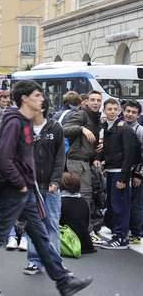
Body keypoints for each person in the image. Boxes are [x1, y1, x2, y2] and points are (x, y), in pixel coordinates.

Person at [0, 80, 92, 296]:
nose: (41, 98)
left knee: (40, 234)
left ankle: (63, 281)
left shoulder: (23, 122)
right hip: (15, 190)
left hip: (24, 189)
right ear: (25, 98)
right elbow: (5, 157)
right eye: (37, 95)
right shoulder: (15, 122)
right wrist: (20, 184)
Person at [23, 96, 66, 275]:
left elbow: (60, 157)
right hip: (30, 185)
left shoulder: (55, 127)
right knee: (34, 225)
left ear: (41, 108)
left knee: (52, 224)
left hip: (50, 185)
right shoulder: (23, 128)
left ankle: (55, 263)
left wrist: (56, 181)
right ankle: (34, 260)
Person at [97, 98, 139, 249]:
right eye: (109, 109)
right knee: (114, 205)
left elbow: (130, 155)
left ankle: (121, 238)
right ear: (104, 110)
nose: (112, 111)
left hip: (120, 173)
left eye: (115, 109)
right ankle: (117, 235)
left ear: (119, 111)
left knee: (121, 206)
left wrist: (123, 177)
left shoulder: (124, 129)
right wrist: (100, 160)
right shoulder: (109, 127)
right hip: (111, 171)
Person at [63, 90, 102, 235]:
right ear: (86, 101)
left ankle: (81, 230)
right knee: (83, 197)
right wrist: (81, 128)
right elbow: (64, 129)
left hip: (87, 162)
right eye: (93, 100)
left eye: (98, 100)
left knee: (86, 197)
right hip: (77, 161)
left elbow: (94, 141)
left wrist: (100, 149)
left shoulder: (96, 117)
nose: (96, 103)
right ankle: (83, 232)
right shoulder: (81, 114)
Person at [121, 100, 143, 244]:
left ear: (139, 115)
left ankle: (136, 233)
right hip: (123, 171)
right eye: (128, 111)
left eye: (133, 112)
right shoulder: (120, 126)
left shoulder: (140, 130)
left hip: (136, 173)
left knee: (136, 204)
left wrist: (138, 174)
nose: (130, 114)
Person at [60, 172, 96, 254]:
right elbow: (86, 223)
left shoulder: (60, 202)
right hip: (85, 242)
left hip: (68, 241)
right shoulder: (84, 202)